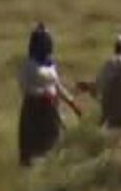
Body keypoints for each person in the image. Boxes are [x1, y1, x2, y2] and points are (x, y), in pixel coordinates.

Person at [17, 23, 80, 166]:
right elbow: (24, 87)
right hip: (35, 108)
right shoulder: (28, 66)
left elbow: (56, 85)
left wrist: (71, 102)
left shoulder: (50, 64)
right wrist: (41, 94)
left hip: (51, 108)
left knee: (54, 144)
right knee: (33, 147)